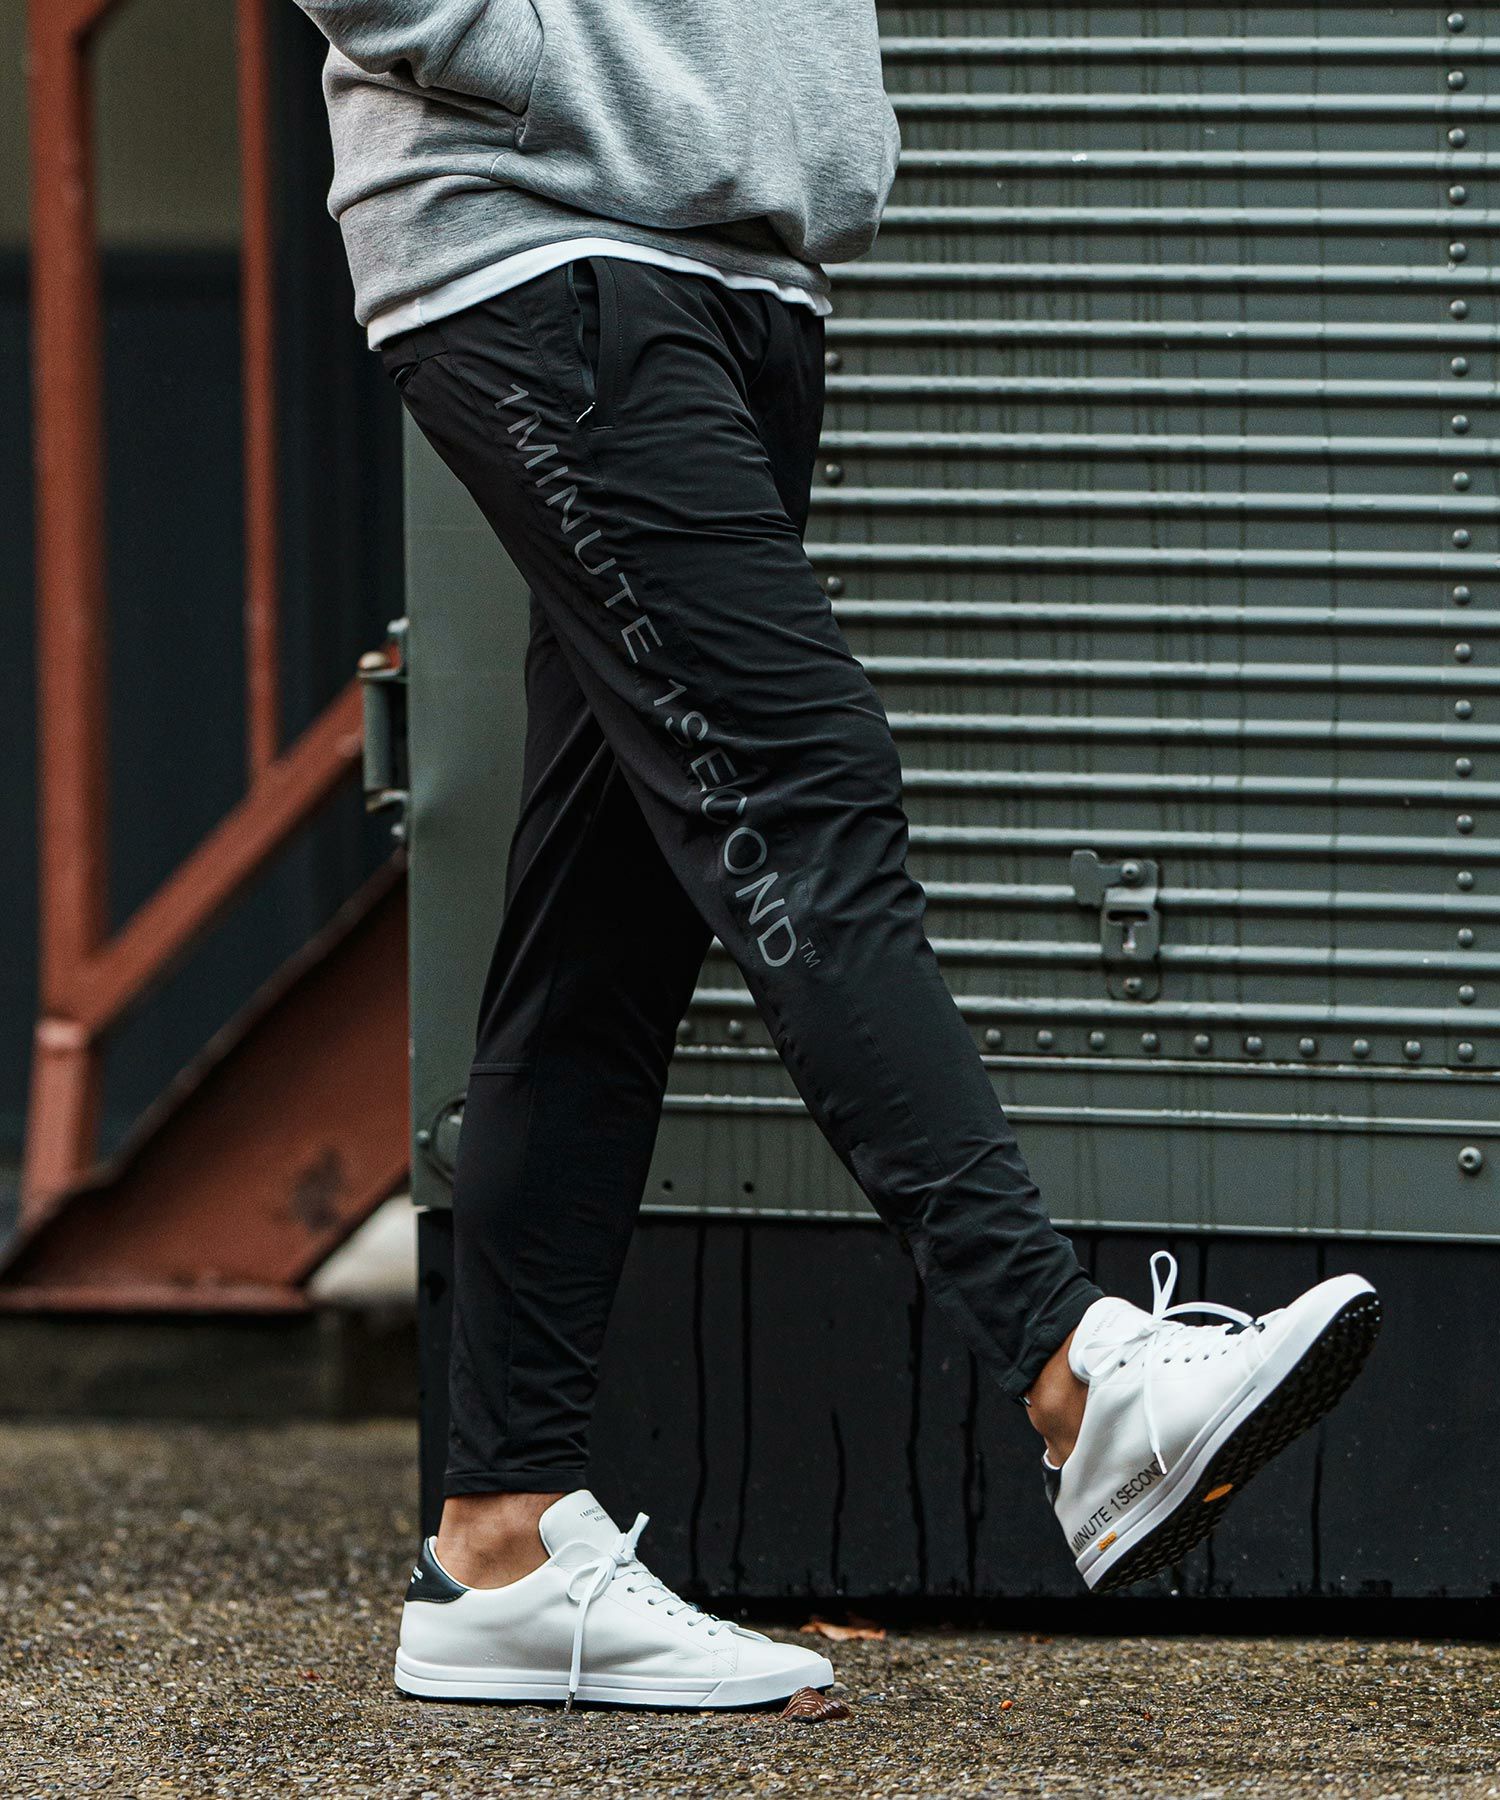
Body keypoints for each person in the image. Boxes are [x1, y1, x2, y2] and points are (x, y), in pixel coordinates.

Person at [294, 0, 1382, 1709]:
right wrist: (501, 50)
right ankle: (1077, 1375)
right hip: (548, 241)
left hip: (740, 261)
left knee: (608, 922)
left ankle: (500, 1546)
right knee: (800, 789)